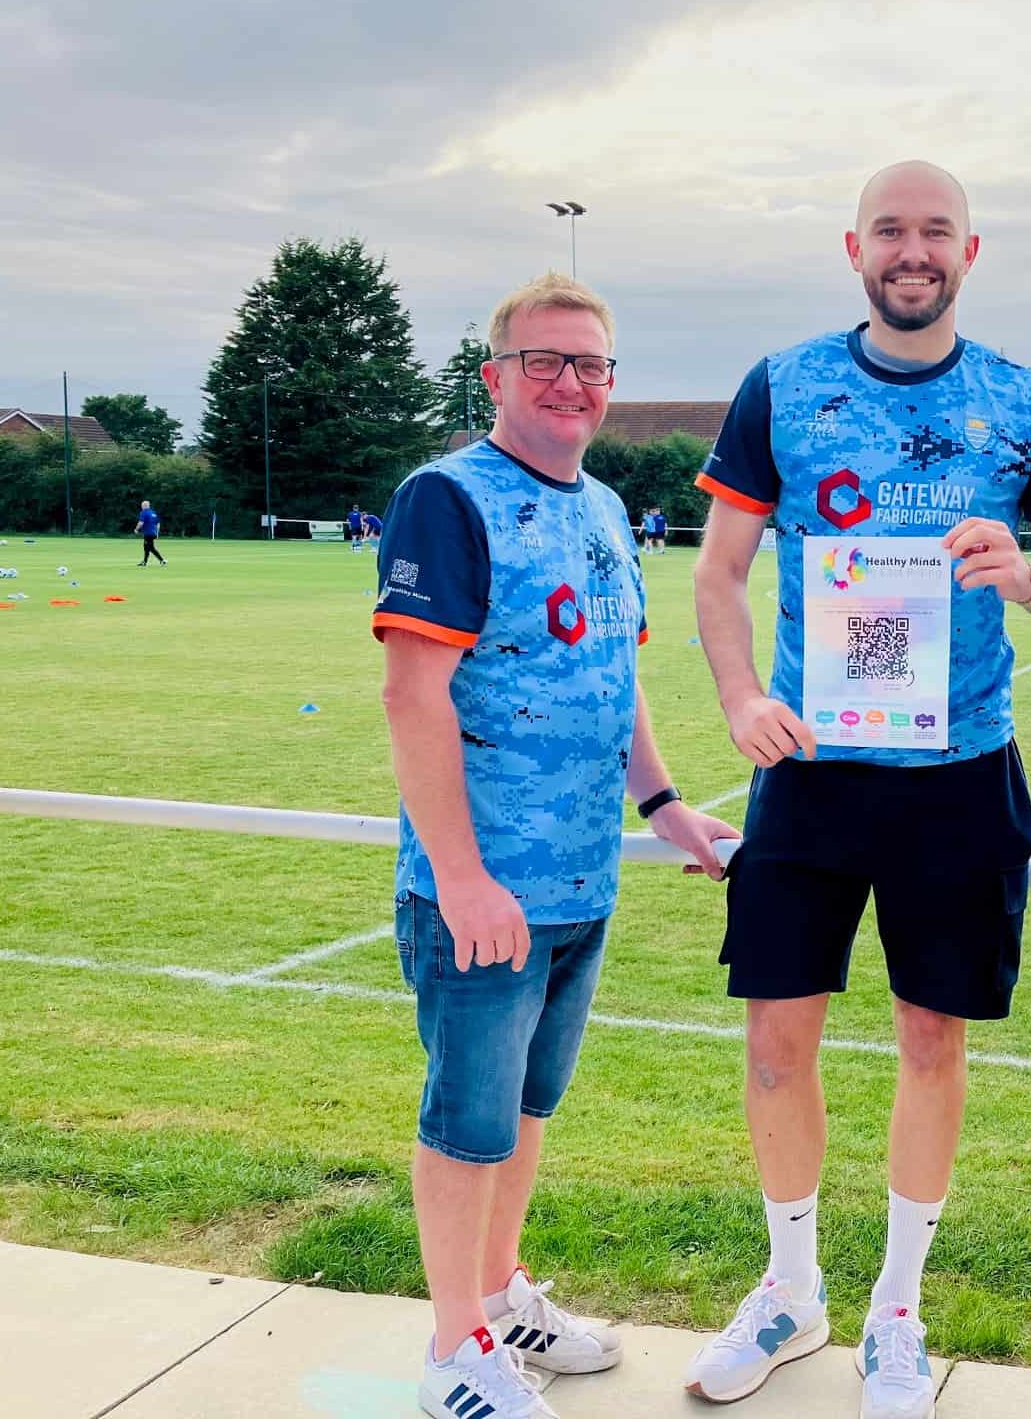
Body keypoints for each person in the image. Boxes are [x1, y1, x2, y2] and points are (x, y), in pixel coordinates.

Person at [686, 160, 1031, 1418]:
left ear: (971, 254)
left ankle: (896, 1312)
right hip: (811, 775)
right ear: (854, 248)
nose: (912, 250)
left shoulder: (1024, 404)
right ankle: (791, 1289)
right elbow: (718, 576)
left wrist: (1029, 576)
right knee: (777, 1043)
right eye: (891, 230)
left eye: (936, 232)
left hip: (959, 775)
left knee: (932, 1039)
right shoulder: (785, 386)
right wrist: (739, 703)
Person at [374, 272, 740, 1419]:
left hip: (580, 882)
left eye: (590, 364)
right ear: (496, 376)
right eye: (545, 361)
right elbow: (412, 696)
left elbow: (612, 679)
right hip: (484, 894)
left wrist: (666, 805)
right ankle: (453, 1350)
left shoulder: (602, 505)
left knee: (528, 1113)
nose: (571, 381)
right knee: (468, 1122)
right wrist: (464, 875)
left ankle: (498, 1293)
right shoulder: (447, 497)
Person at [134, 500, 167, 566]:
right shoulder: (153, 513)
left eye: (142, 505)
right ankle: (145, 562)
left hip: (147, 533)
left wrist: (136, 529)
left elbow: (141, 523)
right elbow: (158, 524)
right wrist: (157, 533)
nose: (141, 507)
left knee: (150, 548)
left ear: (144, 506)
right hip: (153, 533)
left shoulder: (144, 512)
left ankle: (162, 560)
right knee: (146, 547)